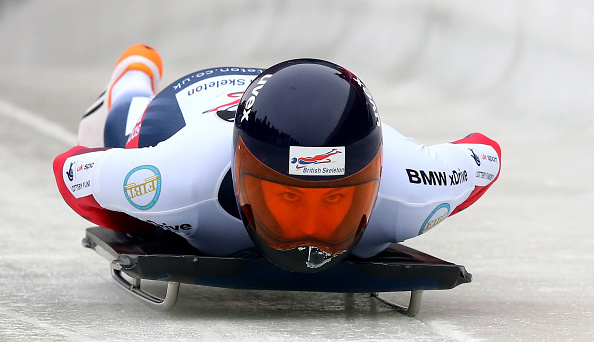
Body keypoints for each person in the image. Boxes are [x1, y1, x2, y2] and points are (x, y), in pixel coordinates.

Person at [53, 45, 501, 273]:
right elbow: (75, 171)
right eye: (287, 196)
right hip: (190, 109)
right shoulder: (176, 178)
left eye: (335, 200)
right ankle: (132, 79)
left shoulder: (415, 184)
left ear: (376, 175)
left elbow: (483, 158)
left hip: (274, 96)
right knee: (117, 126)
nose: (308, 232)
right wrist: (136, 220)